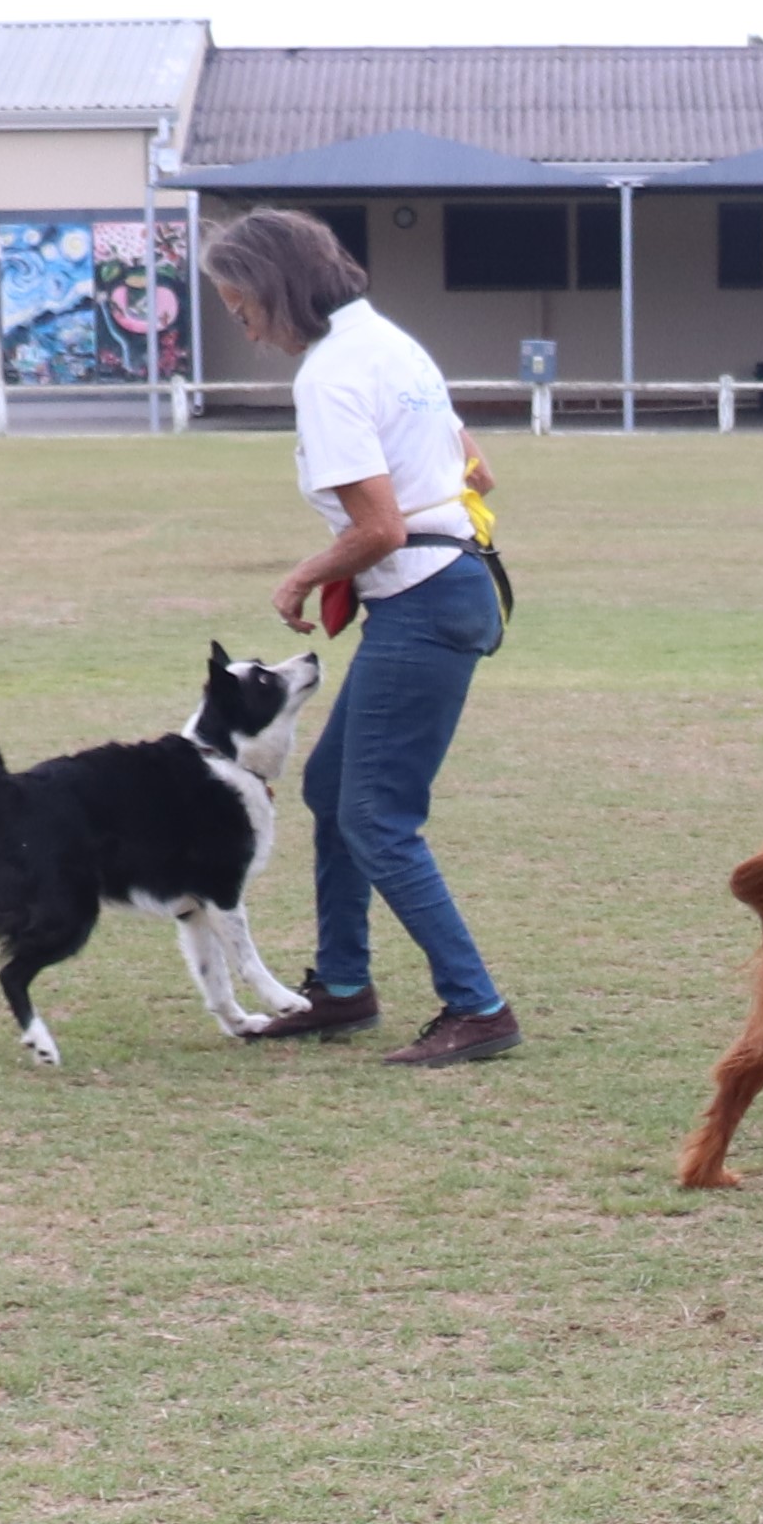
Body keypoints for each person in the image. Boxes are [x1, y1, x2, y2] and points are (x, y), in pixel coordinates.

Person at [201, 207, 519, 1067]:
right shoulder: (391, 343)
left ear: (275, 290)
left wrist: (301, 575)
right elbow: (478, 470)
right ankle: (343, 988)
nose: (246, 330)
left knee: (376, 816)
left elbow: (379, 528)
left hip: (421, 596)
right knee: (334, 787)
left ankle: (478, 1007)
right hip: (454, 582)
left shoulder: (330, 375)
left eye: (242, 309)